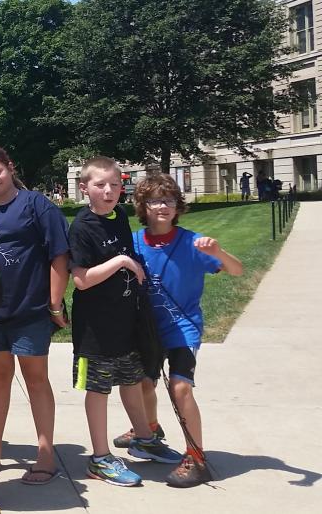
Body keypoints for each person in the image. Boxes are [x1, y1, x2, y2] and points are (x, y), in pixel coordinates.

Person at [123, 174, 243, 487]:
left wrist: (218, 252)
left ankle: (196, 456)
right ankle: (149, 430)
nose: (162, 206)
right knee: (142, 383)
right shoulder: (133, 243)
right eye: (154, 200)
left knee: (180, 388)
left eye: (169, 200)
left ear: (178, 206)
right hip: (148, 329)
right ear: (143, 207)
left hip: (182, 328)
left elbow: (237, 270)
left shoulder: (193, 243)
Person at [69, 157, 182, 488]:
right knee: (98, 390)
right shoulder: (82, 227)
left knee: (132, 381)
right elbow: (81, 280)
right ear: (84, 188)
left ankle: (144, 438)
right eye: (100, 185)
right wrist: (121, 261)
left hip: (126, 321)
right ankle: (100, 457)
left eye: (115, 185)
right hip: (95, 331)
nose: (109, 191)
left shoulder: (119, 215)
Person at [0, 145, 68, 484]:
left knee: (36, 380)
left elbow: (59, 255)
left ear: (10, 167)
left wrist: (55, 303)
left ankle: (45, 452)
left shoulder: (35, 204)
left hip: (31, 310)